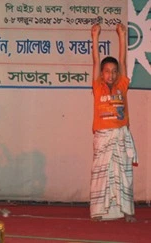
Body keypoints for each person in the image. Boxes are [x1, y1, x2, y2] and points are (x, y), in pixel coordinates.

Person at [90, 23, 138, 222]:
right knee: (101, 176)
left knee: (124, 175)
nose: (111, 74)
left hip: (120, 136)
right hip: (103, 137)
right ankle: (98, 212)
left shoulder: (122, 85)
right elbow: (95, 61)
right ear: (102, 74)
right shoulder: (98, 86)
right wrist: (95, 37)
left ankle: (127, 211)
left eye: (114, 71)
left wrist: (122, 36)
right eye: (107, 71)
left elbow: (124, 60)